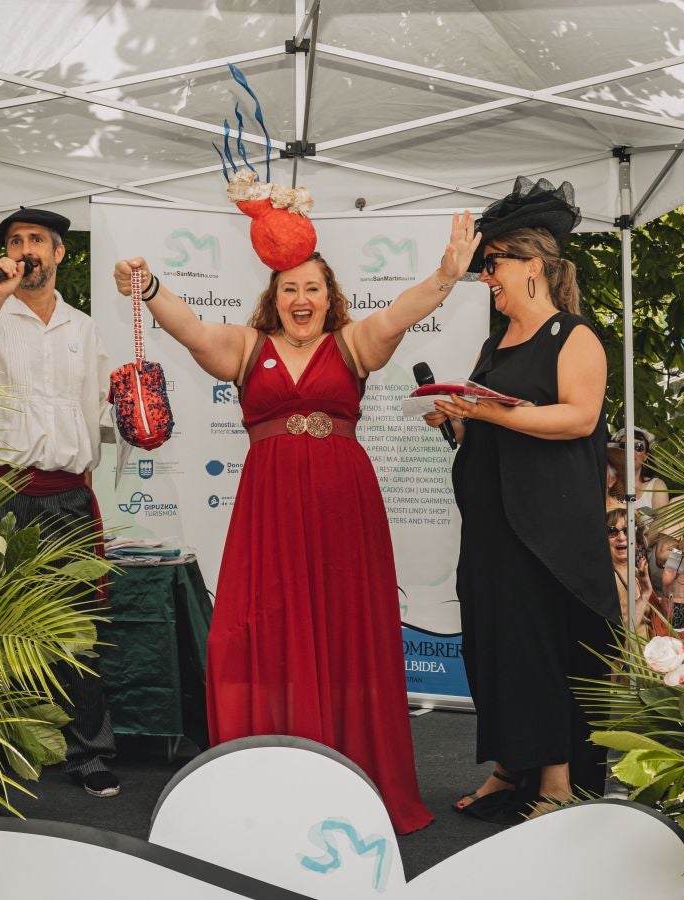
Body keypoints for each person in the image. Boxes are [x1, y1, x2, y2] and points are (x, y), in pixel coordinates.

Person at [109, 212, 480, 835]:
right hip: (270, 507)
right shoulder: (247, 348)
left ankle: (351, 773)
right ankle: (266, 776)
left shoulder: (353, 345)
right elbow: (192, 329)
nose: (300, 299)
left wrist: (445, 275)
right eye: (289, 289)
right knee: (261, 628)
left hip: (343, 504)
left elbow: (401, 313)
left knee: (343, 628)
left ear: (329, 296)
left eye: (311, 288)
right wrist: (149, 289)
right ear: (272, 298)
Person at [425, 177, 618, 822]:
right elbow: (492, 421)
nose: (487, 277)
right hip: (492, 522)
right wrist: (455, 415)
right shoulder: (493, 343)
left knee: (540, 646)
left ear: (532, 265)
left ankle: (557, 784)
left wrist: (496, 416)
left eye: (494, 264)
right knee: (495, 642)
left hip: (548, 527)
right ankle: (511, 768)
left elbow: (578, 420)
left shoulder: (575, 337)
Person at [0, 207, 120, 800]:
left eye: (37, 240)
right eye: (16, 241)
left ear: (60, 253)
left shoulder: (83, 327)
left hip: (65, 494)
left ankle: (89, 753)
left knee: (75, 631)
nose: (26, 248)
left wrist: (134, 413)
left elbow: (95, 412)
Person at [607, 508, 664, 638]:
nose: (621, 537)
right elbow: (621, 632)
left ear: (637, 539)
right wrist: (645, 594)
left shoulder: (637, 573)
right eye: (612, 531)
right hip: (626, 657)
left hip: (646, 655)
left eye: (628, 531)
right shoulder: (608, 579)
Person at [607, 428, 668, 513]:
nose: (631, 451)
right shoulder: (609, 483)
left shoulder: (656, 486)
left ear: (646, 456)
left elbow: (663, 523)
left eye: (638, 446)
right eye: (624, 446)